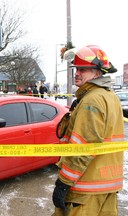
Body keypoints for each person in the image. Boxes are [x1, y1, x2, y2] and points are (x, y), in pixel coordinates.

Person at [52, 45, 124, 216]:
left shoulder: (92, 100)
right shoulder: (109, 96)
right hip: (107, 186)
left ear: (97, 73)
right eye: (77, 69)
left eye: (83, 69)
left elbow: (82, 148)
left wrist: (63, 183)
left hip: (85, 190)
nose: (77, 73)